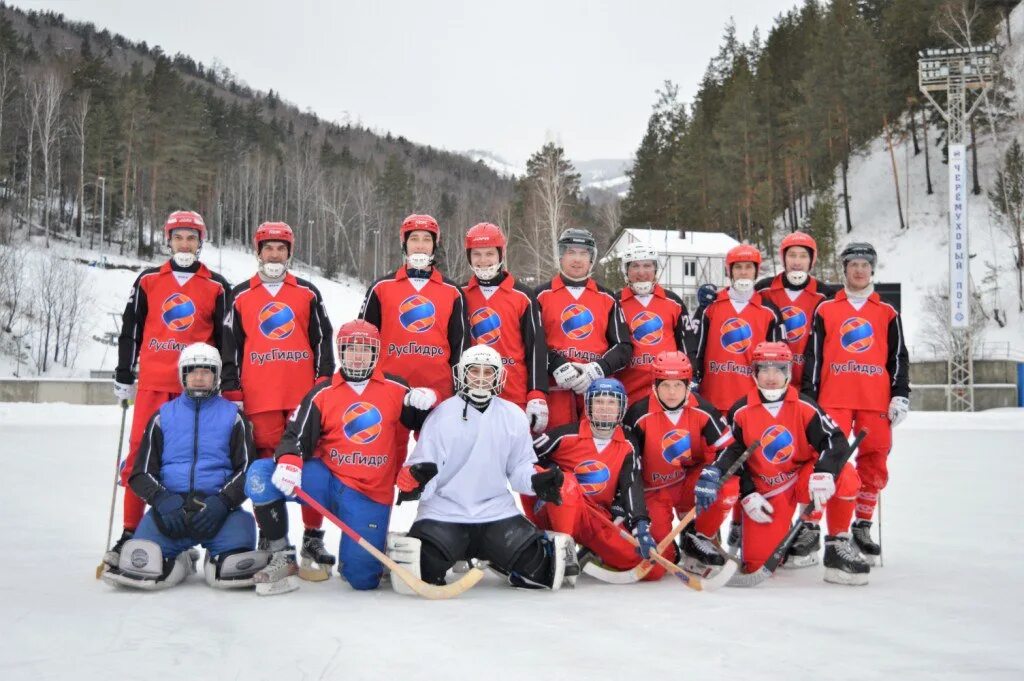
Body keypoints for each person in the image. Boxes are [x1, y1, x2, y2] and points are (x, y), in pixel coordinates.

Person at [243, 320, 437, 595]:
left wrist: (428, 400)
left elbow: (429, 427)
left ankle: (364, 556)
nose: (357, 357)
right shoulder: (323, 392)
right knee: (261, 476)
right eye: (350, 349)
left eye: (365, 350)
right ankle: (281, 554)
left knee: (363, 580)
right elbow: (296, 435)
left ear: (376, 353)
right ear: (340, 352)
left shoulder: (396, 388)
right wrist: (289, 459)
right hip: (328, 480)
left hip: (369, 494)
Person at [387, 345, 578, 592]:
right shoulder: (441, 416)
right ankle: (420, 544)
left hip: (495, 513)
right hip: (445, 514)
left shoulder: (513, 415)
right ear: (462, 374)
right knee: (423, 574)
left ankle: (502, 554)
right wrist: (416, 481)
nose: (480, 377)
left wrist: (535, 481)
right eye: (473, 371)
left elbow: (519, 467)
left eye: (487, 372)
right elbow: (425, 468)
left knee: (540, 574)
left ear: (498, 376)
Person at [106, 210, 234, 568]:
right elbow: (131, 328)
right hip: (153, 385)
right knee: (138, 458)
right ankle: (131, 532)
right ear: (168, 240)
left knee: (193, 460)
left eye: (191, 238)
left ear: (201, 242)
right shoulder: (148, 280)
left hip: (197, 390)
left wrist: (228, 384)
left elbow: (227, 341)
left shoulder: (216, 285)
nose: (185, 244)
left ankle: (194, 530)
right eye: (178, 237)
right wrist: (124, 372)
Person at [697, 341, 869, 585]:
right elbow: (733, 455)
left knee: (845, 474)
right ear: (754, 373)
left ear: (788, 371)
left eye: (778, 369)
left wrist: (825, 472)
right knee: (757, 563)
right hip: (767, 493)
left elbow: (835, 441)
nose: (771, 377)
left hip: (800, 479)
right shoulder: (741, 410)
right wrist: (748, 493)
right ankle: (780, 527)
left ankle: (836, 545)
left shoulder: (804, 405)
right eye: (764, 369)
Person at [220, 221, 337, 578]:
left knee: (309, 465)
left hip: (302, 402)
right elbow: (230, 348)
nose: (274, 254)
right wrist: (233, 390)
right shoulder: (240, 295)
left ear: (290, 252)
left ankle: (312, 537)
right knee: (264, 471)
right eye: (268, 248)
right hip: (260, 399)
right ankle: (273, 540)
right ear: (258, 251)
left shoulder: (306, 292)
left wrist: (323, 385)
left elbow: (322, 341)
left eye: (280, 248)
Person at [103, 343, 260, 590]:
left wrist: (223, 502)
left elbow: (248, 470)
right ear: (182, 375)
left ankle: (216, 557)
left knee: (228, 574)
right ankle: (181, 559)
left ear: (216, 376)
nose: (199, 377)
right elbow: (141, 472)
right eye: (192, 371)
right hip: (170, 513)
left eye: (206, 371)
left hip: (219, 514)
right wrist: (162, 500)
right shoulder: (162, 416)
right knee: (145, 569)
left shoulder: (233, 417)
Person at [802, 242, 910, 565]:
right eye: (853, 264)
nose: (859, 270)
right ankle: (811, 523)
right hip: (833, 397)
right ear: (844, 269)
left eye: (865, 264)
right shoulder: (826, 309)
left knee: (874, 460)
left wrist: (900, 393)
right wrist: (809, 396)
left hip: (873, 398)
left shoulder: (887, 313)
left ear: (872, 269)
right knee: (824, 458)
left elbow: (899, 358)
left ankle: (862, 523)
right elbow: (814, 357)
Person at [692, 243, 781, 551]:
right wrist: (694, 382)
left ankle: (740, 526)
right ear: (728, 272)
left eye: (749, 268)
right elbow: (697, 349)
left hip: (750, 404)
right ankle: (707, 534)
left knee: (750, 466)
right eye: (738, 268)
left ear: (757, 272)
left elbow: (777, 359)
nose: (744, 273)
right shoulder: (712, 307)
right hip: (714, 400)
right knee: (713, 469)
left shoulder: (768, 312)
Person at [622, 351, 736, 579]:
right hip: (653, 492)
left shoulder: (703, 408)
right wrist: (636, 516)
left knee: (728, 485)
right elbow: (628, 467)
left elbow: (729, 448)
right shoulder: (637, 415)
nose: (672, 392)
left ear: (688, 384)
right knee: (658, 565)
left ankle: (698, 536)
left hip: (688, 482)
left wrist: (713, 472)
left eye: (678, 385)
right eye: (665, 385)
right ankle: (674, 550)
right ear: (654, 385)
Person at [532, 378, 656, 575]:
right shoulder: (565, 435)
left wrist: (639, 523)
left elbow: (631, 484)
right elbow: (525, 457)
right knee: (566, 482)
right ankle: (562, 545)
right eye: (599, 402)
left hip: (596, 516)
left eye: (611, 402)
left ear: (621, 407)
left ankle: (591, 552)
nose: (605, 408)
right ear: (588, 405)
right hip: (558, 510)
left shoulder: (628, 444)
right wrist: (551, 470)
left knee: (636, 558)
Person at [535, 228, 631, 430]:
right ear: (561, 256)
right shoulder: (540, 295)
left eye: (583, 253)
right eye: (571, 252)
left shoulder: (607, 297)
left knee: (593, 451)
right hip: (555, 388)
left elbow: (623, 347)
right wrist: (556, 364)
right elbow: (531, 342)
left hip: (595, 392)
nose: (577, 259)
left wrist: (597, 369)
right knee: (556, 447)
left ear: (592, 259)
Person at [461, 222, 549, 433]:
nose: (483, 261)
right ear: (469, 257)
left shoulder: (523, 296)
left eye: (490, 253)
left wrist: (537, 392)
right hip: (473, 392)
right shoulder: (461, 294)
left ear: (501, 254)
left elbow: (536, 348)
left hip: (513, 394)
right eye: (477, 254)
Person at [755, 232, 832, 390]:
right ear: (783, 258)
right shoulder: (764, 289)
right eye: (792, 255)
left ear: (812, 259)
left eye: (803, 256)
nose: (797, 262)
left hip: (810, 381)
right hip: (770, 380)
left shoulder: (825, 295)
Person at [616, 241, 689, 407]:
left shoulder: (673, 302)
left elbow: (686, 346)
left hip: (668, 390)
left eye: (647, 265)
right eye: (635, 266)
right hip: (628, 391)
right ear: (626, 270)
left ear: (656, 268)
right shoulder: (615, 302)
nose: (641, 273)